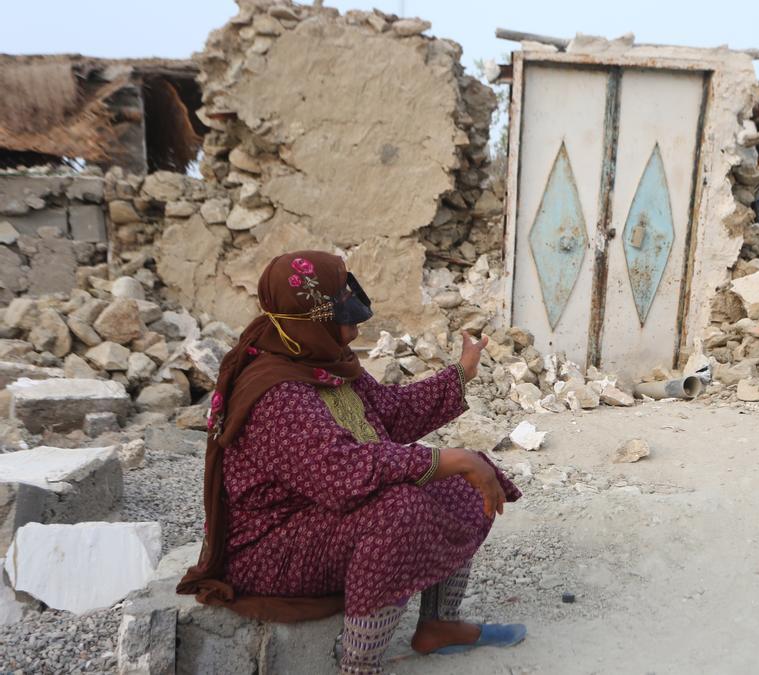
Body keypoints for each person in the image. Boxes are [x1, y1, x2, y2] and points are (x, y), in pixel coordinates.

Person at [176, 250, 524, 674]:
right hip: (270, 549)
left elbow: (390, 414)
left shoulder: (322, 360)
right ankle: (360, 666)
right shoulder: (275, 393)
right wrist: (452, 457)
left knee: (459, 483)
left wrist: (461, 374)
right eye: (344, 314)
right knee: (397, 509)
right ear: (311, 319)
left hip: (317, 516)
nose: (356, 326)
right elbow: (344, 473)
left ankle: (439, 625)